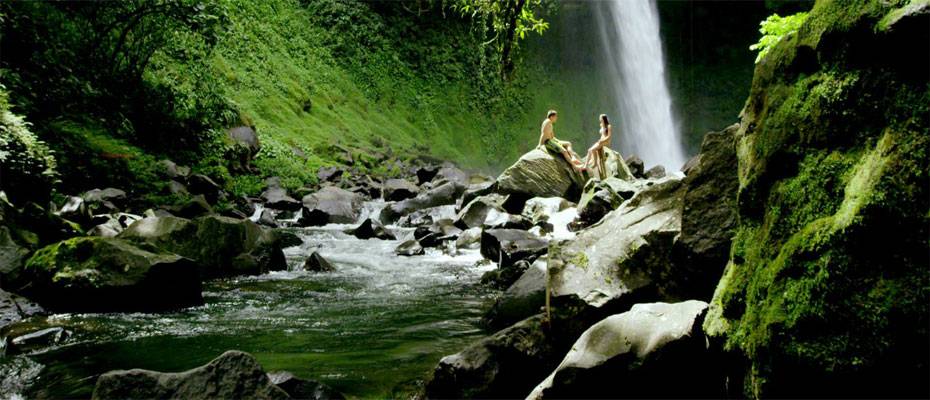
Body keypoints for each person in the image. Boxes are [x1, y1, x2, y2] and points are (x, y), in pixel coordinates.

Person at [585, 114, 612, 179]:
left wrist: (602, 141)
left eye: (600, 118)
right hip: (601, 141)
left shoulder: (608, 126)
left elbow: (609, 136)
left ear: (603, 118)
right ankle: (585, 164)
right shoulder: (601, 125)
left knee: (593, 150)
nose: (599, 119)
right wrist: (600, 140)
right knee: (589, 150)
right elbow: (602, 135)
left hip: (606, 142)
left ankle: (595, 163)